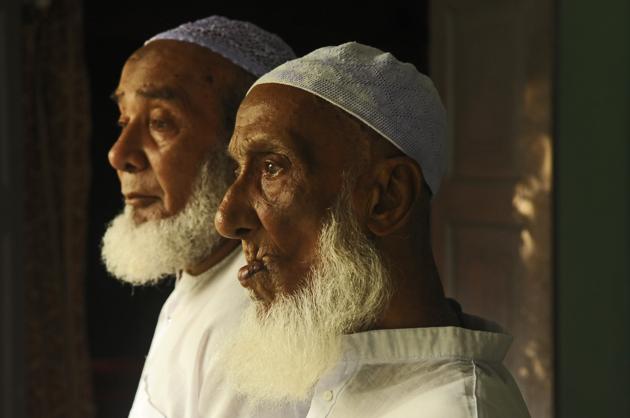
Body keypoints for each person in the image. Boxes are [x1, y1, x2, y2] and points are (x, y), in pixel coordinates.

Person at [214, 42, 532, 417]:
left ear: (387, 198)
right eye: (238, 170)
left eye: (272, 168)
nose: (226, 218)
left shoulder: (453, 410)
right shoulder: (343, 368)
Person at [101, 16, 306, 418]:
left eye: (160, 122)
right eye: (124, 121)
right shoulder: (202, 275)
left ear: (247, 148)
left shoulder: (256, 322)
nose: (119, 153)